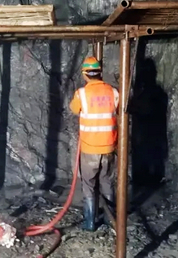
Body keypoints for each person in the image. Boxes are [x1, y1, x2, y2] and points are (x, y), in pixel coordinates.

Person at [69, 56, 119, 231]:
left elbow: (74, 109)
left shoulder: (81, 94)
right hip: (109, 147)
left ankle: (90, 222)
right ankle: (110, 219)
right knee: (107, 182)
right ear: (100, 72)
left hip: (90, 148)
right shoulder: (113, 92)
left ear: (85, 74)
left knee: (89, 185)